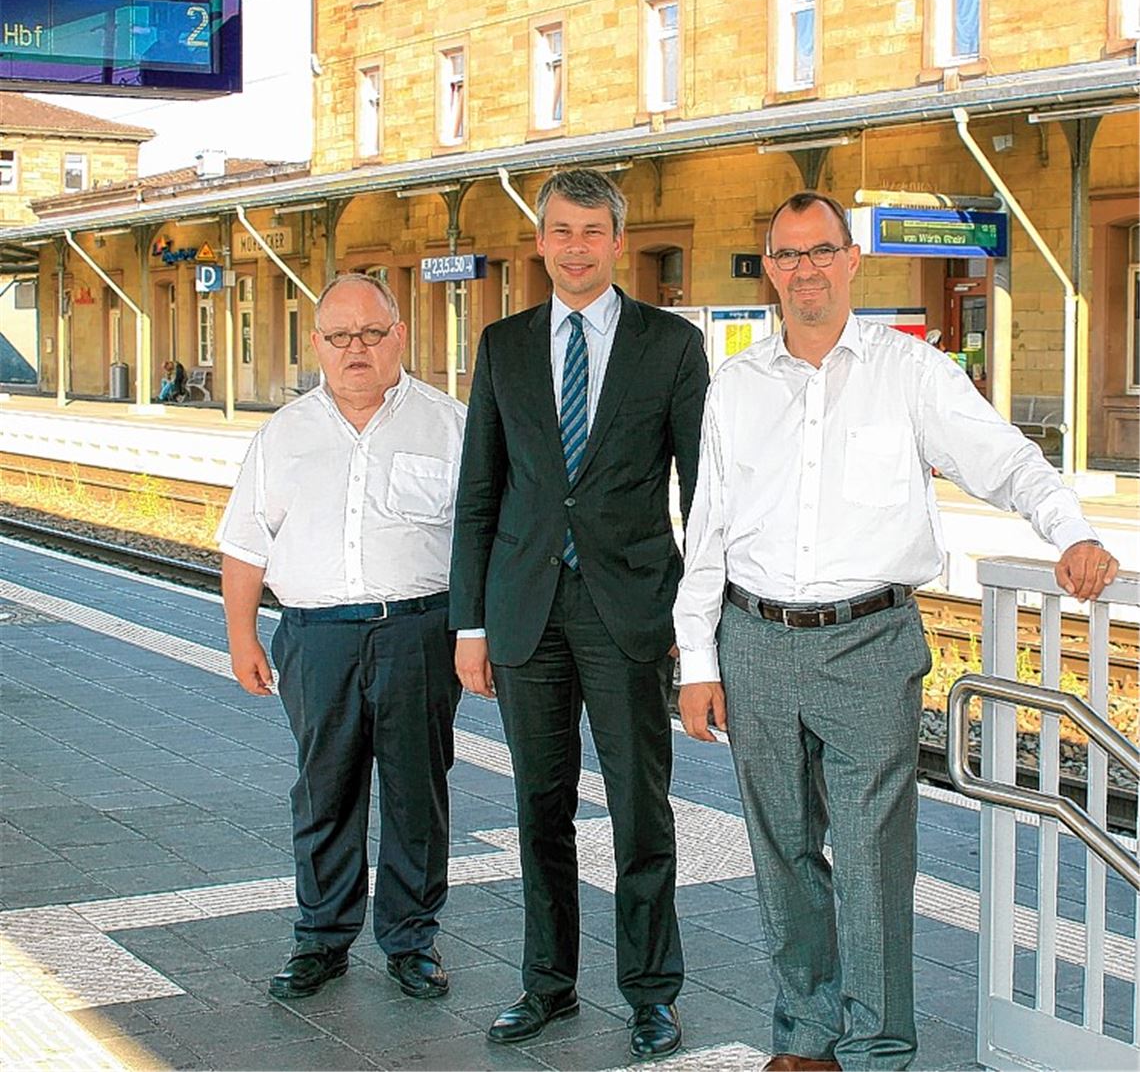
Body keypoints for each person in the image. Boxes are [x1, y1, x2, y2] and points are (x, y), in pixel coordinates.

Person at [674, 190, 1120, 1072]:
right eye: (788, 254)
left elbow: (1004, 459)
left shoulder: (908, 371)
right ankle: (805, 1037)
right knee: (782, 851)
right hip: (754, 640)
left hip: (868, 645)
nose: (805, 269)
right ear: (770, 269)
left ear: (852, 260)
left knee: (875, 861)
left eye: (821, 250)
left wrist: (1070, 529)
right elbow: (709, 528)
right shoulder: (736, 385)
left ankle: (879, 1049)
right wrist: (696, 657)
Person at [449, 168, 709, 1060]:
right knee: (538, 806)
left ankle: (651, 993)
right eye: (560, 230)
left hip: (629, 610)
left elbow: (702, 496)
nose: (575, 246)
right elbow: (479, 491)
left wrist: (699, 622)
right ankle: (547, 985)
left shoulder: (670, 345)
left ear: (616, 240)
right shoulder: (504, 343)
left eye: (591, 231)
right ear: (541, 240)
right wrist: (469, 623)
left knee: (641, 809)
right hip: (525, 611)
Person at [217, 274, 465, 1003]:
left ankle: (411, 941)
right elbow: (243, 545)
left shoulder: (450, 424)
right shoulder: (283, 434)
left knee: (418, 792)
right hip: (314, 639)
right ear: (318, 343)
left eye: (371, 333)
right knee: (324, 790)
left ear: (400, 336)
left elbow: (480, 542)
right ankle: (321, 939)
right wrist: (241, 638)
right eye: (339, 336)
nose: (356, 349)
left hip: (419, 633)